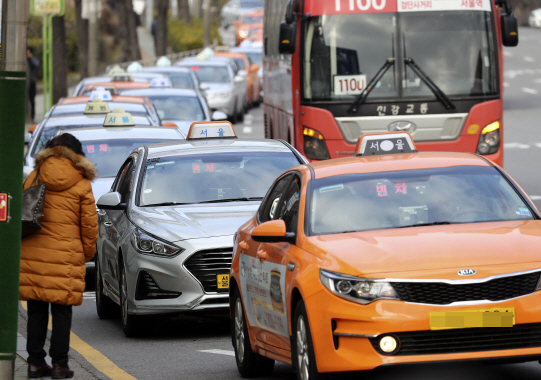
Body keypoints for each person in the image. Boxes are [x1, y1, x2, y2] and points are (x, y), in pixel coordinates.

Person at [20, 133, 98, 379]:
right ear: (77, 154)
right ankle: (59, 364)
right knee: (62, 311)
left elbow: (24, 213)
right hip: (67, 255)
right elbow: (89, 226)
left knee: (36, 309)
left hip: (33, 252)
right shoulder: (82, 182)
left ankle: (34, 362)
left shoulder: (34, 176)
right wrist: (85, 254)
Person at [27, 47, 39, 123]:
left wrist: (30, 58)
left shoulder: (33, 60)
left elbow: (36, 65)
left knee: (32, 100)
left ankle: (32, 117)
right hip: (27, 82)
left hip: (32, 83)